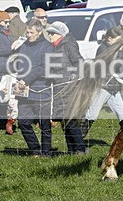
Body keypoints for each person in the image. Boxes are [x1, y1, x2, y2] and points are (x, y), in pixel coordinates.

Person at [13, 19, 54, 156]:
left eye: (31, 32)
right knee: (23, 122)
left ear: (39, 32)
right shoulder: (24, 45)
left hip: (41, 90)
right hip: (24, 91)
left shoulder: (48, 47)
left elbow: (44, 67)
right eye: (27, 32)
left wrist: (26, 79)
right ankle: (35, 149)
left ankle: (46, 152)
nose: (29, 35)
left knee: (44, 124)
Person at [46, 21, 86, 155]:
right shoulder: (55, 47)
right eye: (49, 33)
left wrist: (74, 77)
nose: (50, 35)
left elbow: (79, 62)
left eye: (52, 33)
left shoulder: (68, 45)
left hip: (69, 88)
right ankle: (71, 150)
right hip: (59, 87)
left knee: (71, 120)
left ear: (60, 34)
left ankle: (80, 149)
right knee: (65, 121)